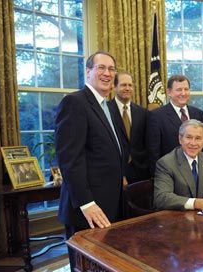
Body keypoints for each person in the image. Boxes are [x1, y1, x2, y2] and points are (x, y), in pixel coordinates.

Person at [55, 51, 126, 270]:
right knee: (85, 266)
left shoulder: (110, 106)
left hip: (112, 203)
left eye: (111, 69)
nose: (107, 73)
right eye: (101, 68)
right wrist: (86, 203)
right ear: (88, 72)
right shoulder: (74, 103)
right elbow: (70, 159)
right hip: (87, 207)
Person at [148, 74, 203, 175]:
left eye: (186, 89)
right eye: (179, 90)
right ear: (169, 92)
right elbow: (153, 152)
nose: (183, 93)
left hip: (196, 174)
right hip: (170, 175)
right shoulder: (156, 116)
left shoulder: (198, 114)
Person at [109, 71, 150, 184]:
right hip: (115, 173)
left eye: (130, 85)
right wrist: (120, 174)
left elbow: (148, 143)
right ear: (114, 87)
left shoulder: (143, 113)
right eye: (123, 85)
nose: (127, 88)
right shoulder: (105, 111)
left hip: (141, 172)